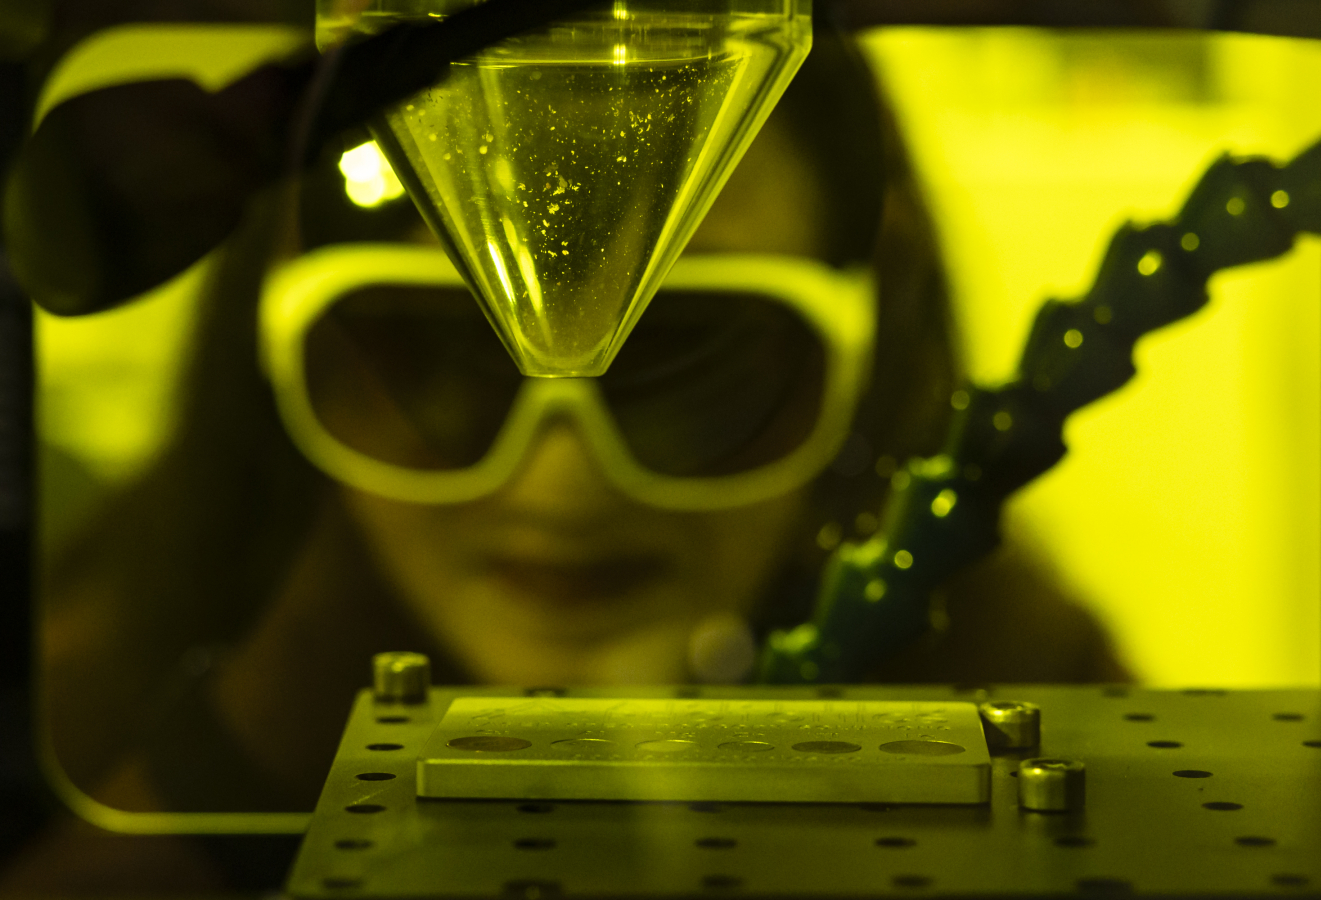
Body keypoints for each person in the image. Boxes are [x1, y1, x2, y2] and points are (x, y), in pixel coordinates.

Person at [7, 19, 1130, 893]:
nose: (560, 485)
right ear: (289, 361)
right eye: (429, 359)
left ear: (869, 363)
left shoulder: (1041, 703)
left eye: (694, 362)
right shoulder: (97, 707)